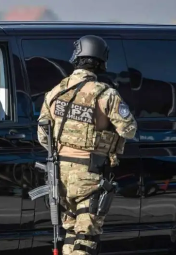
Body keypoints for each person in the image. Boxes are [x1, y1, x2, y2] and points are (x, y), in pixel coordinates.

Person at [37, 35, 137, 255]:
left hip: (59, 174)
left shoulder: (55, 92)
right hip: (90, 173)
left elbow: (43, 136)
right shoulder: (105, 94)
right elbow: (128, 129)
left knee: (70, 233)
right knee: (86, 238)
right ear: (101, 62)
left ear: (76, 58)